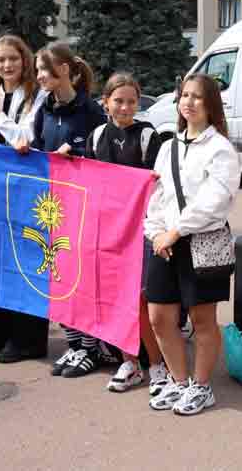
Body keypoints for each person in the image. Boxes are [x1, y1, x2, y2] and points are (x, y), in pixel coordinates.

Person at [145, 73, 239, 415]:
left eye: (197, 97)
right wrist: (156, 231)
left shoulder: (220, 149)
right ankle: (179, 381)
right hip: (165, 241)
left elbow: (215, 200)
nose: (189, 102)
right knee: (159, 317)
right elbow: (156, 195)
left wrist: (177, 230)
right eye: (185, 95)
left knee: (202, 320)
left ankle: (201, 386)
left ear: (211, 104)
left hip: (202, 242)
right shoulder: (168, 146)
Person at [25, 41, 108, 377]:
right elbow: (37, 147)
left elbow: (101, 154)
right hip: (51, 207)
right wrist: (24, 149)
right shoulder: (44, 108)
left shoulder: (91, 110)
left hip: (83, 207)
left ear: (63, 70)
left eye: (44, 69)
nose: (39, 76)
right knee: (56, 277)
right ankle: (73, 344)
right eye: (38, 70)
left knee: (82, 278)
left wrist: (75, 151)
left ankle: (91, 348)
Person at [83, 72, 168, 394]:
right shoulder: (95, 136)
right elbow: (87, 181)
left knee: (143, 301)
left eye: (131, 101)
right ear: (105, 102)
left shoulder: (147, 135)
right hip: (107, 231)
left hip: (141, 231)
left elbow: (156, 185)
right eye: (118, 101)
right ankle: (129, 362)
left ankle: (157, 364)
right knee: (116, 301)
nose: (125, 107)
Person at [0, 34, 50, 363]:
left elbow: (25, 138)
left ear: (25, 61)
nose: (6, 65)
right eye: (0, 60)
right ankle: (2, 335)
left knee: (26, 262)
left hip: (26, 190)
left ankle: (29, 340)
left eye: (13, 59)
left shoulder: (38, 95)